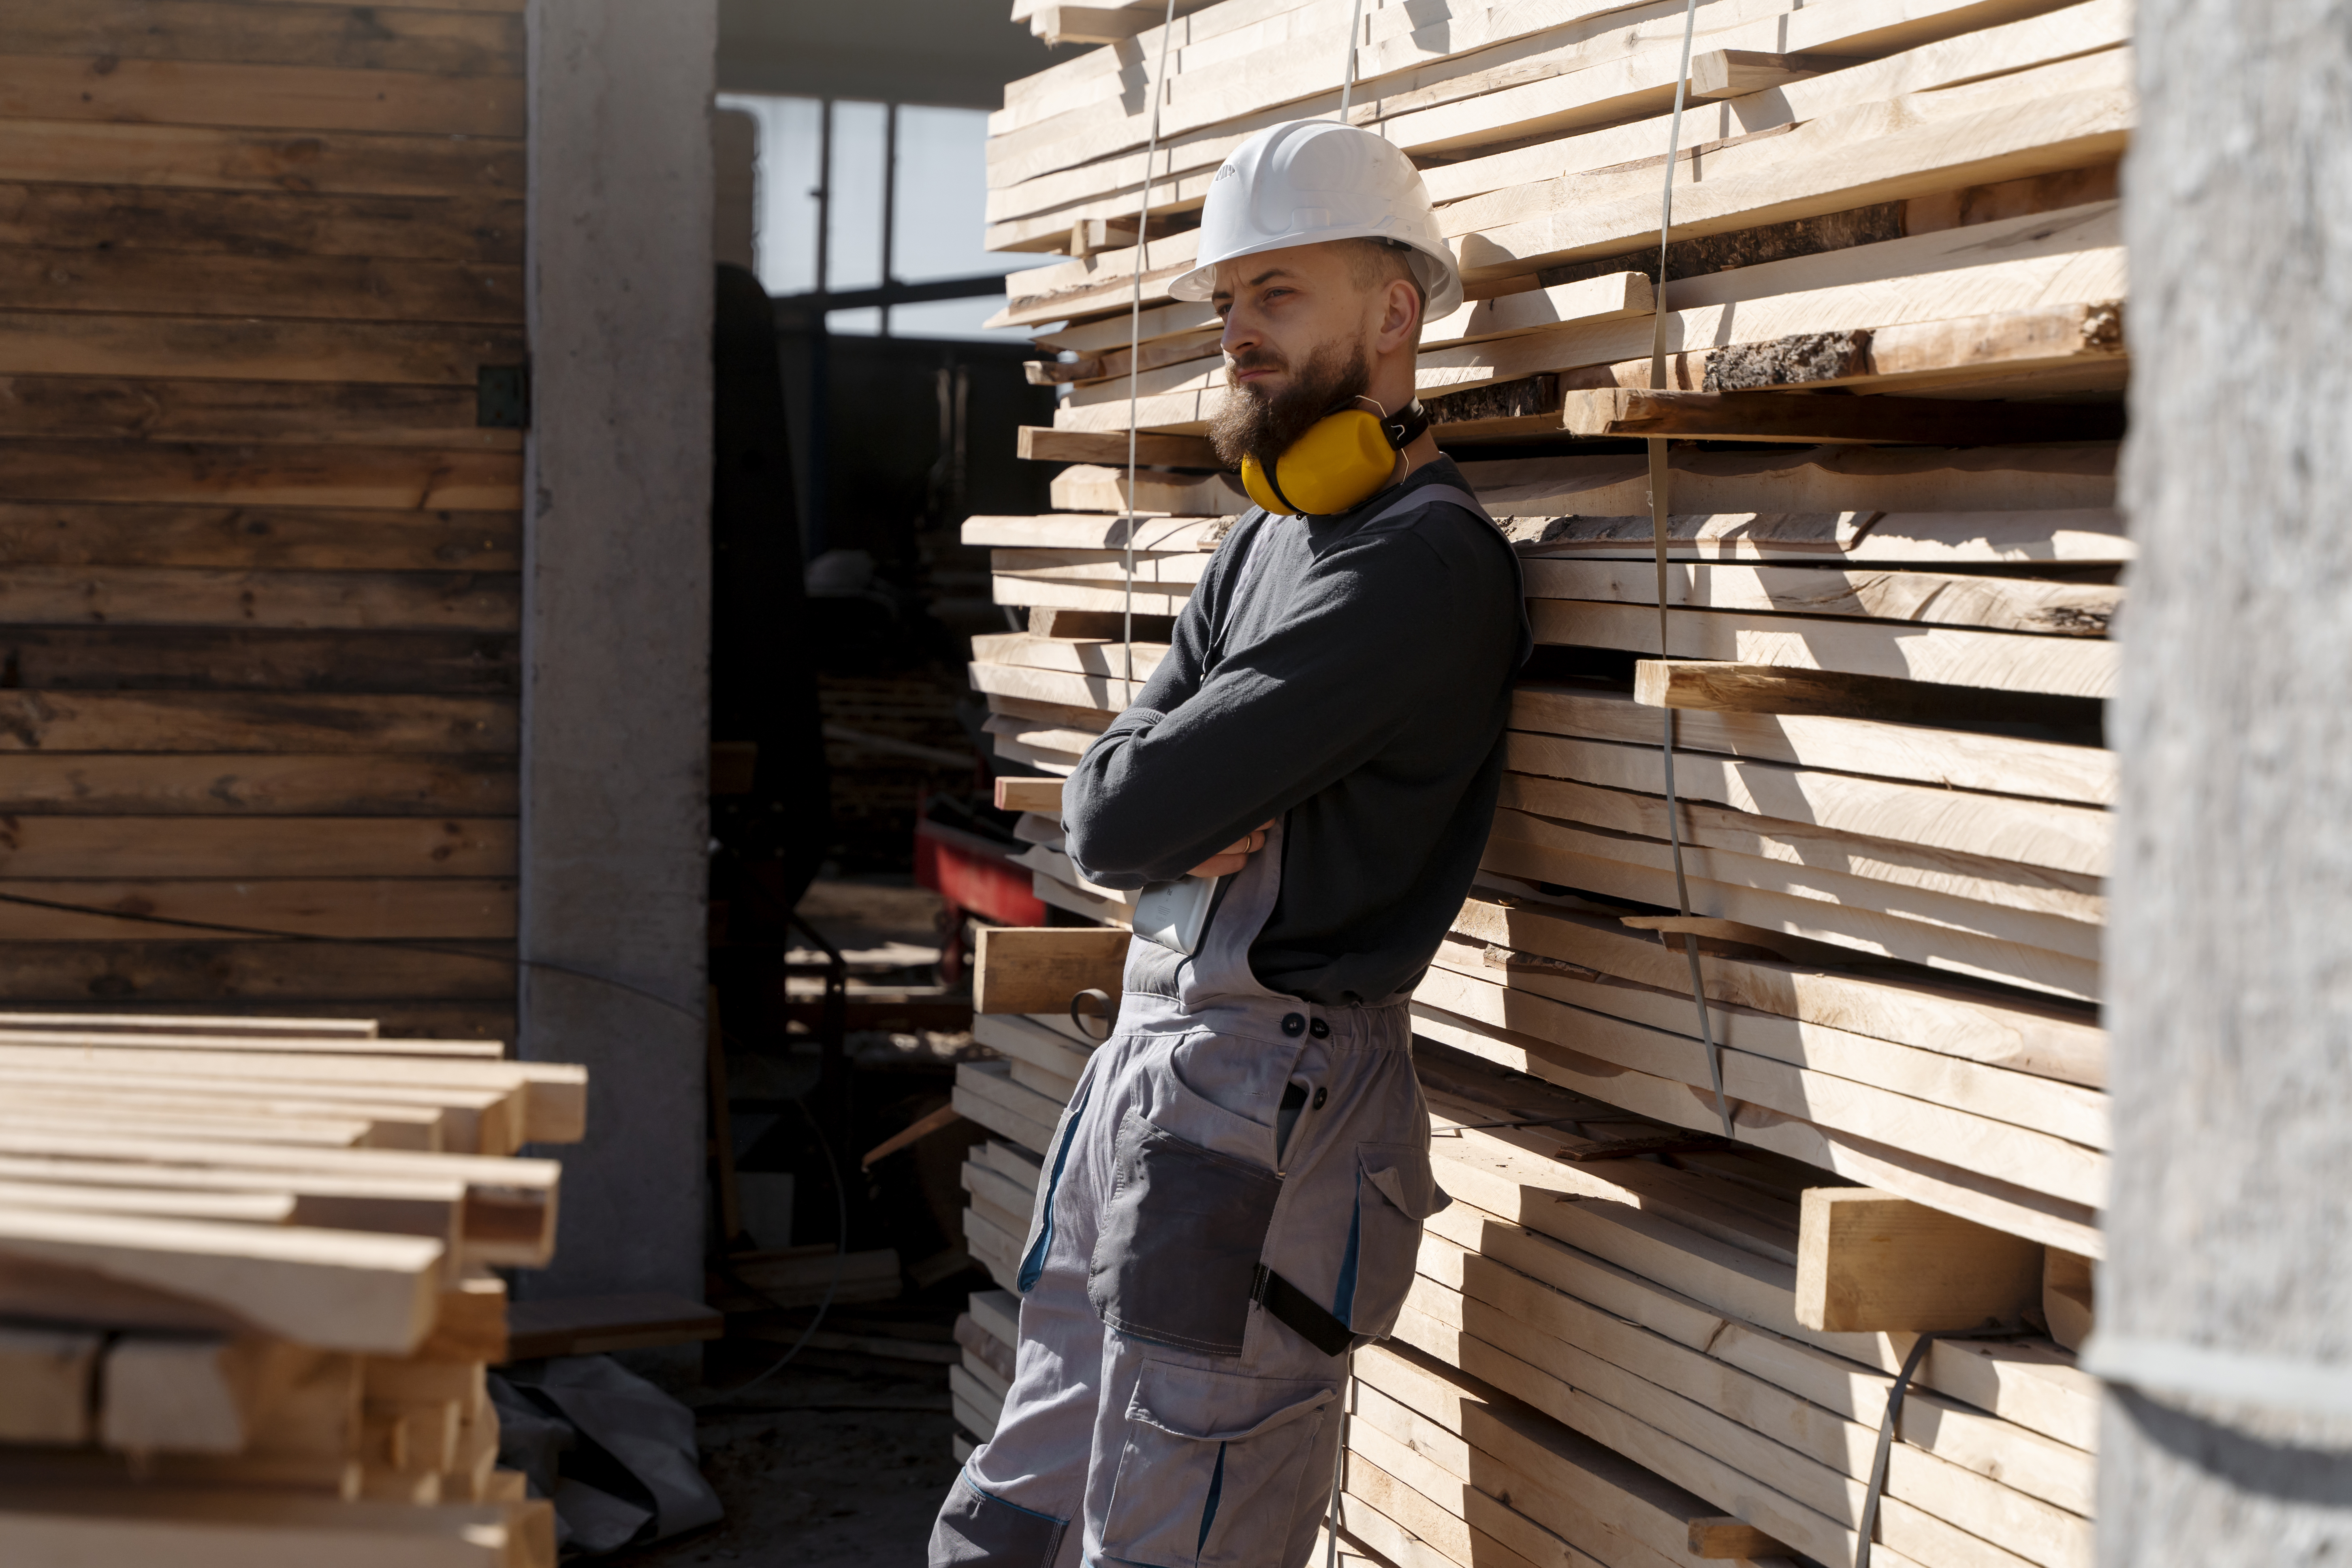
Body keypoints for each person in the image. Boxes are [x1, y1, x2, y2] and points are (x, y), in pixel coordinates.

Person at [931, 118, 1528, 1568]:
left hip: (1274, 1095)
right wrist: (1147, 799)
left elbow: (1128, 812)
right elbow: (1110, 804)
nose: (1237, 333)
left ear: (1394, 315)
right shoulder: (1264, 542)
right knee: (1030, 1480)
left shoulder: (1421, 568)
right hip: (1150, 1064)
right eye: (1226, 301)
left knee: (1174, 1509)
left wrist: (1152, 803)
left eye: (1278, 293)